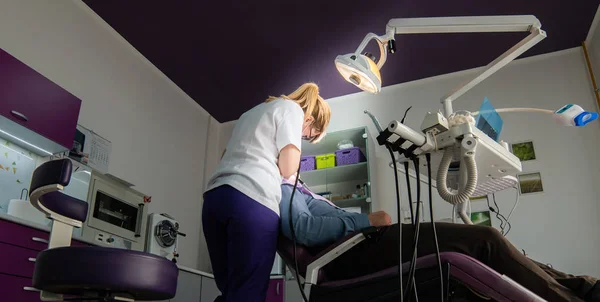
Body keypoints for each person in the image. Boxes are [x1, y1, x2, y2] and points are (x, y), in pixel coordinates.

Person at [279, 179, 600, 302]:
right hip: (353, 254)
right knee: (485, 240)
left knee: (487, 247)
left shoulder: (295, 186)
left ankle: (584, 287)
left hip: (362, 245)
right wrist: (367, 219)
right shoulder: (280, 187)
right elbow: (303, 228)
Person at [202, 83, 330, 302]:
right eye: (309, 136)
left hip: (215, 198)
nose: (304, 138)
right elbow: (288, 168)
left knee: (230, 290)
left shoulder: (250, 114)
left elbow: (226, 155)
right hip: (252, 201)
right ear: (309, 120)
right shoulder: (293, 110)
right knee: (248, 293)